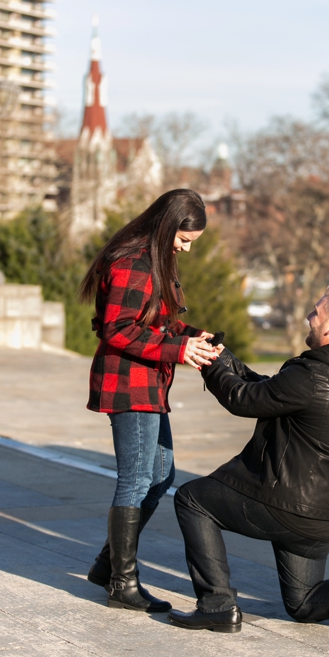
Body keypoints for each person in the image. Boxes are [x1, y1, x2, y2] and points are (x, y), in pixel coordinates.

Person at [167, 284, 329, 641]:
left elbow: (243, 400)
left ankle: (216, 604)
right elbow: (270, 394)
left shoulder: (313, 374)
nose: (308, 317)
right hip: (325, 516)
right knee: (303, 602)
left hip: (283, 503)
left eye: (315, 312)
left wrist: (208, 365)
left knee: (192, 499)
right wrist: (227, 360)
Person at [80, 189, 220, 613]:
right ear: (167, 224)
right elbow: (116, 328)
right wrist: (178, 350)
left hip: (148, 382)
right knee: (138, 477)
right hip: (129, 384)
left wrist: (190, 336)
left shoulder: (154, 258)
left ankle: (108, 565)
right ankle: (122, 583)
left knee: (160, 473)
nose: (186, 247)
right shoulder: (134, 261)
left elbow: (155, 321)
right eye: (185, 238)